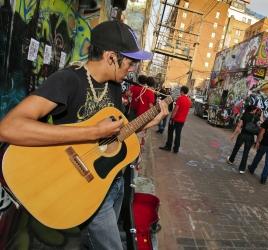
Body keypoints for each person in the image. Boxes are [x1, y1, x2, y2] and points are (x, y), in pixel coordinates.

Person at [0, 20, 168, 249]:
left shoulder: (114, 85)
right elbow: (9, 127)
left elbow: (112, 137)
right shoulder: (69, 79)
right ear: (110, 57)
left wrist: (147, 122)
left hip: (110, 183)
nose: (133, 69)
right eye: (130, 62)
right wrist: (92, 131)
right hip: (81, 186)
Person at [227, 105, 259, 174]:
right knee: (246, 152)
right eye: (255, 110)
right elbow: (258, 128)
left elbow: (239, 126)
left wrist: (233, 135)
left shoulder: (244, 115)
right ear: (253, 110)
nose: (256, 111)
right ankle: (242, 168)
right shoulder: (256, 118)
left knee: (236, 148)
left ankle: (231, 160)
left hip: (242, 135)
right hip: (250, 137)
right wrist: (257, 141)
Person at [159, 85, 192, 153]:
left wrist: (171, 118)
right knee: (178, 134)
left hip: (175, 120)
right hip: (182, 121)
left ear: (182, 91)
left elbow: (176, 109)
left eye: (180, 91)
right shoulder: (189, 101)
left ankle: (168, 146)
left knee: (170, 133)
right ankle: (176, 149)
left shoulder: (180, 98)